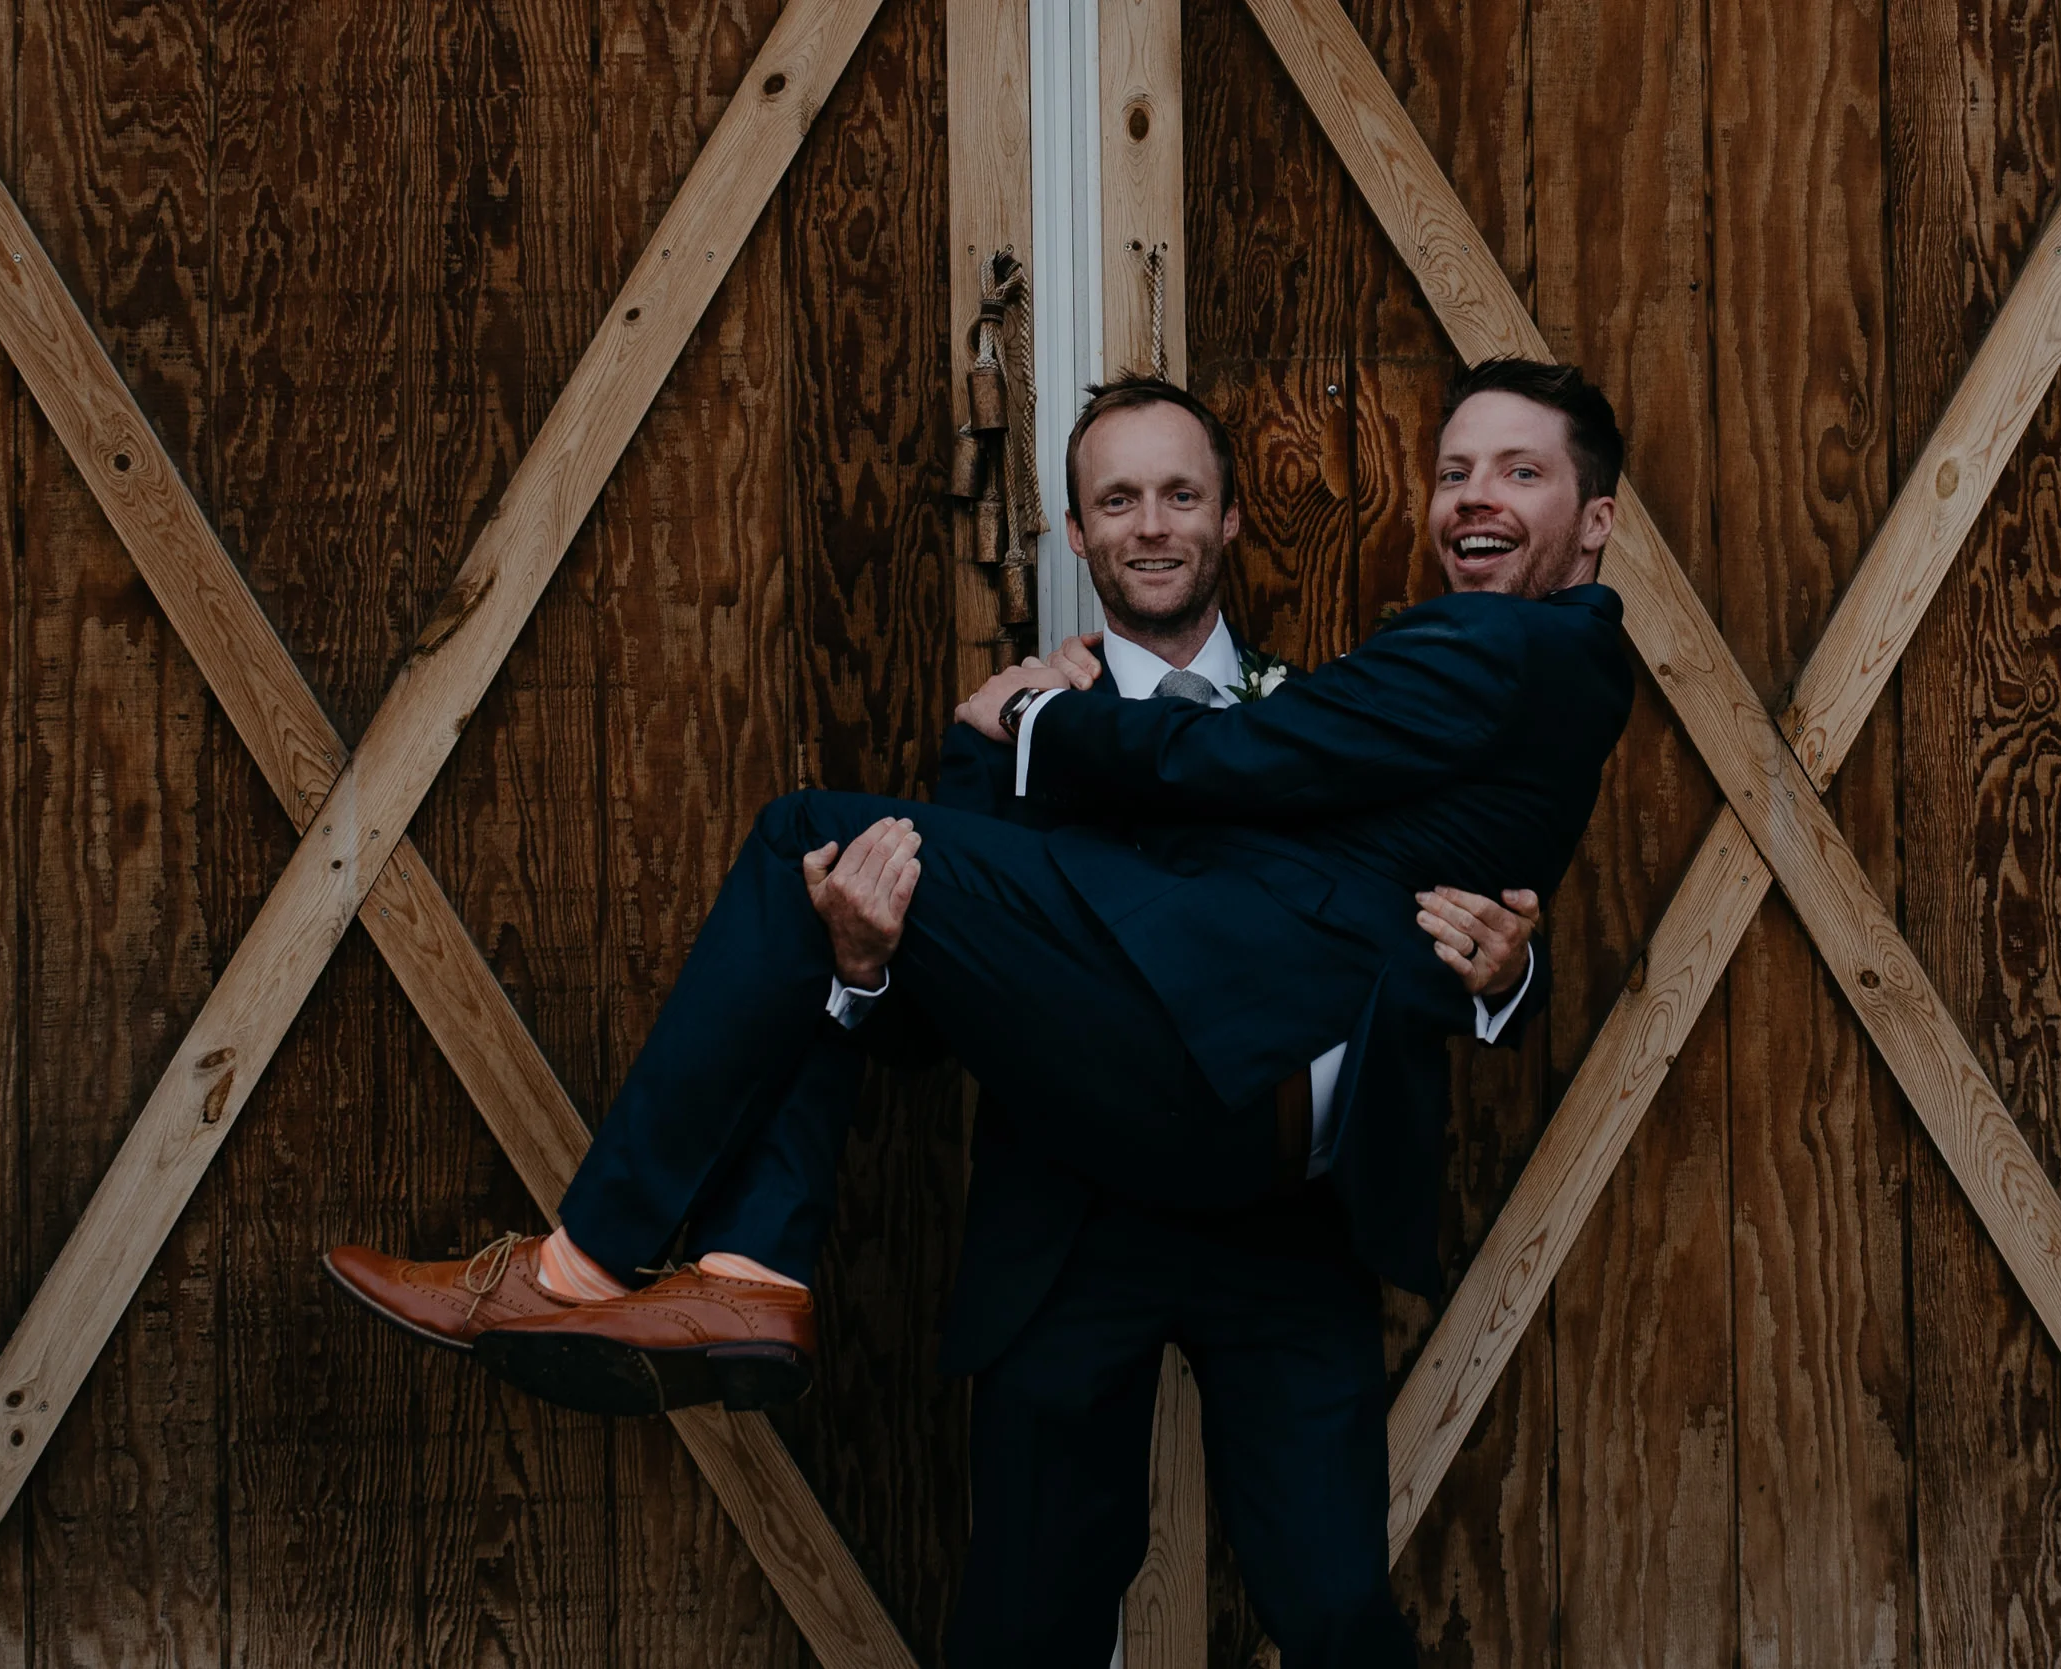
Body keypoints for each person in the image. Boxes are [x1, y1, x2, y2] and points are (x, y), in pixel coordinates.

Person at [326, 357, 1634, 1667]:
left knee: (1336, 1609)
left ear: (1230, 519)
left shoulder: (1336, 704)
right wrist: (862, 959)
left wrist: (1504, 978)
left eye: (1182, 494)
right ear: (1078, 535)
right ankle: (733, 1273)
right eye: (1118, 501)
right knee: (1026, 1625)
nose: (1153, 523)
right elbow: (926, 1024)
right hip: (1077, 1225)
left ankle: (646, 1269)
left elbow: (1379, 883)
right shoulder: (991, 741)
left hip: (1286, 1224)